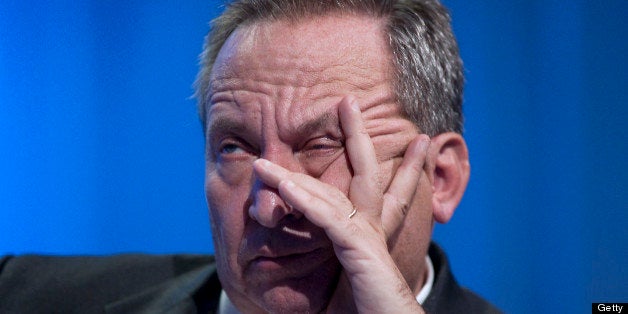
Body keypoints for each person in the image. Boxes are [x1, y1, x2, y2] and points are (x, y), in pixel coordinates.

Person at [0, 0, 501, 313]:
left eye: (322, 144)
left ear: (440, 179)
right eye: (235, 148)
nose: (267, 206)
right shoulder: (24, 296)